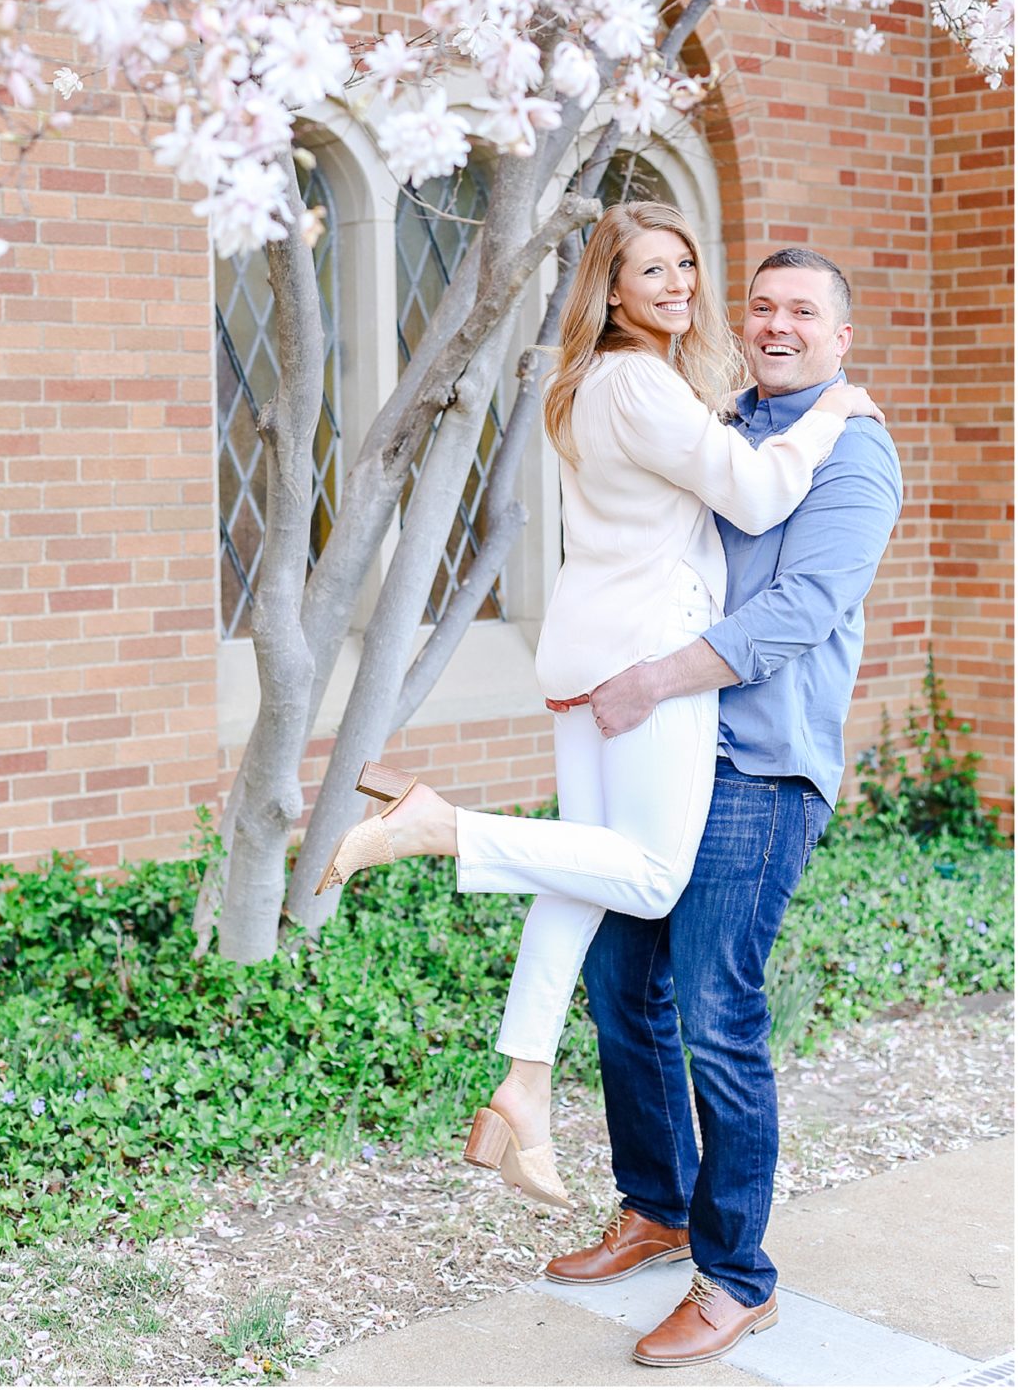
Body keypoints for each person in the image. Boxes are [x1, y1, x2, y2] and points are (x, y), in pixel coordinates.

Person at [315, 206, 880, 1213]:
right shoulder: (649, 383)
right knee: (652, 882)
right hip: (643, 661)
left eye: (687, 266)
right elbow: (751, 501)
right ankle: (441, 826)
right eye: (651, 269)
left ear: (840, 332)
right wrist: (838, 412)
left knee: (579, 882)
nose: (677, 285)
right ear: (609, 290)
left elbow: (799, 590)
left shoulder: (600, 384)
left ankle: (524, 1083)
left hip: (592, 657)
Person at [541, 246, 903, 1370]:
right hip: (667, 751)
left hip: (757, 764)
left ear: (841, 339)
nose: (777, 322)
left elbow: (799, 608)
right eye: (763, 304)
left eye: (805, 310)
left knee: (713, 1006)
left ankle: (738, 1274)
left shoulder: (852, 448)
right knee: (619, 985)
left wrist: (650, 676)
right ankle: (655, 1204)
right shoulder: (715, 419)